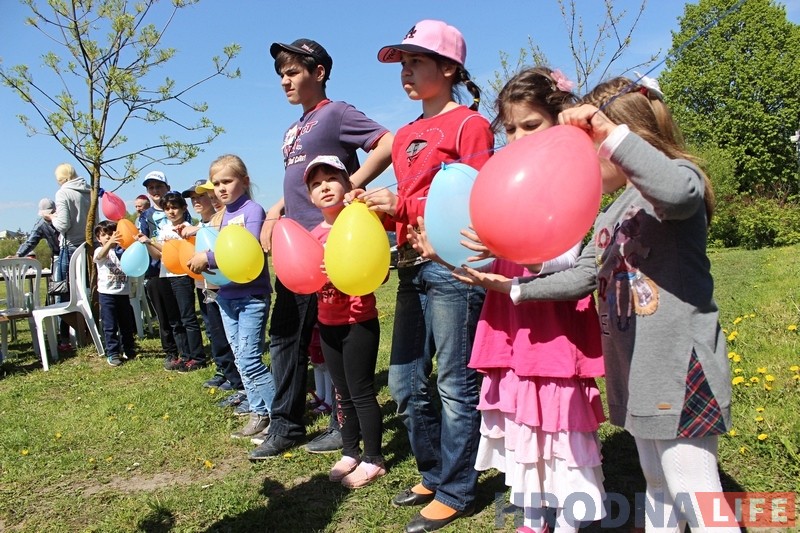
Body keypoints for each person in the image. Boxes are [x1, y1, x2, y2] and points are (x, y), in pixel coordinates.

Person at [456, 76, 737, 532]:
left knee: (698, 496)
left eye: (592, 148)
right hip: (639, 374)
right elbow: (584, 275)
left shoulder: (670, 184)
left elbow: (680, 193)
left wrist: (610, 137)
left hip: (679, 370)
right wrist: (512, 288)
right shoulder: (609, 212)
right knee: (658, 482)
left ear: (623, 138)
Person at [411, 67, 607, 533]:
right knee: (523, 424)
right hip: (512, 326)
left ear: (560, 122)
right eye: (511, 128)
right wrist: (445, 251)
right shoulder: (509, 180)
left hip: (552, 329)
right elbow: (489, 258)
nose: (517, 137)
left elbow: (570, 262)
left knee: (558, 426)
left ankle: (570, 520)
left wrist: (507, 250)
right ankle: (535, 516)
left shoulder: (572, 180)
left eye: (531, 125)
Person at [354, 20, 493, 533]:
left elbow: (474, 201)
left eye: (416, 61)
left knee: (457, 385)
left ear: (450, 68)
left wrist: (403, 202)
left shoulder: (470, 125)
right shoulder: (407, 133)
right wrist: (375, 207)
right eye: (403, 63)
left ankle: (457, 489)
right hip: (411, 267)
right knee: (407, 384)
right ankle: (434, 473)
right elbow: (408, 205)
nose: (406, 72)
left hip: (454, 269)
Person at [250, 36, 393, 460]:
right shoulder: (294, 128)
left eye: (292, 72)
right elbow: (297, 181)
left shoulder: (336, 114)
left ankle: (337, 425)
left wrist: (355, 186)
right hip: (298, 250)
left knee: (327, 337)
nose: (284, 81)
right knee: (286, 337)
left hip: (331, 251)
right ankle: (288, 425)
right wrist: (275, 211)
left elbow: (387, 142)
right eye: (280, 75)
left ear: (319, 72)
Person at [304, 155, 386, 489]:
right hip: (328, 321)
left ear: (347, 183)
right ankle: (350, 451)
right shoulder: (313, 234)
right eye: (315, 184)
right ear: (309, 196)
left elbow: (375, 270)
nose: (324, 187)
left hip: (358, 321)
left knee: (362, 391)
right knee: (342, 393)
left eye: (331, 179)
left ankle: (374, 458)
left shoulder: (361, 220)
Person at [187, 154, 276, 442]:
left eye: (228, 181)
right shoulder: (221, 216)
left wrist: (207, 258)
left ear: (245, 181)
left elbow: (247, 248)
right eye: (217, 183)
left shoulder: (252, 210)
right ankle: (258, 412)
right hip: (226, 296)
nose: (221, 188)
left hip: (251, 296)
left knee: (250, 359)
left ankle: (281, 417)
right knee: (240, 359)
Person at [178, 180, 245, 394]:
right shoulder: (200, 224)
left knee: (224, 332)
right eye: (194, 198)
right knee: (213, 330)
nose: (198, 201)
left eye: (203, 196)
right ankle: (223, 370)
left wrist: (196, 229)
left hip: (222, 285)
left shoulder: (221, 221)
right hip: (204, 284)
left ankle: (236, 377)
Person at [138, 191, 207, 372]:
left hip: (182, 277)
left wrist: (155, 243)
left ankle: (197, 357)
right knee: (174, 320)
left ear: (184, 208)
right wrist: (147, 243)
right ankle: (184, 355)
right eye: (167, 208)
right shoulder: (164, 230)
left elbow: (177, 250)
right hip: (165, 276)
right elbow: (160, 255)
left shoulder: (187, 228)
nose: (171, 211)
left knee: (188, 318)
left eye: (175, 207)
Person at [137, 170, 188, 370]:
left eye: (159, 186)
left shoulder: (179, 208)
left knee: (182, 313)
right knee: (164, 315)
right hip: (156, 270)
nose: (155, 190)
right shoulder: (146, 216)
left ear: (167, 187)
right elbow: (143, 241)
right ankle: (171, 352)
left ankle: (187, 350)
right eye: (151, 188)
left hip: (179, 269)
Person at [47, 163, 91, 351]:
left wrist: (51, 218)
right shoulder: (89, 190)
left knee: (64, 294)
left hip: (71, 247)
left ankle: (66, 339)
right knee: (87, 292)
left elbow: (63, 225)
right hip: (88, 247)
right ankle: (90, 331)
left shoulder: (63, 193)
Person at [93, 220, 137, 367]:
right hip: (107, 294)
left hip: (123, 293)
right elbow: (99, 257)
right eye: (104, 235)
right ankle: (112, 352)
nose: (108, 237)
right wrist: (109, 244)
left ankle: (129, 349)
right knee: (110, 324)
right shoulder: (100, 251)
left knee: (127, 324)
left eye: (111, 234)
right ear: (99, 238)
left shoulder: (122, 251)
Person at [11, 198, 60, 268]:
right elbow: (30, 242)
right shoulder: (41, 225)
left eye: (52, 212)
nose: (50, 215)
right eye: (48, 213)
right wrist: (18, 255)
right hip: (57, 255)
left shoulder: (64, 217)